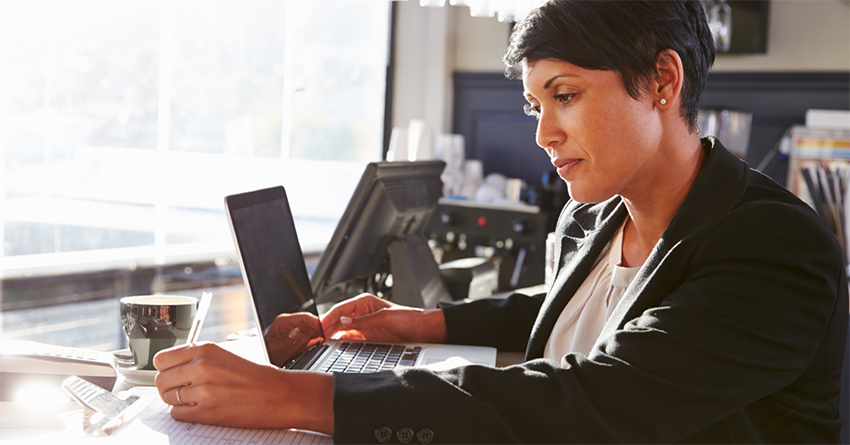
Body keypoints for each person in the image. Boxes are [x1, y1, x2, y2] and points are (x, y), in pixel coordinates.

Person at [153, 0, 849, 443]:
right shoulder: (592, 219)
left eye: (565, 95)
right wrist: (429, 322)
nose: (544, 132)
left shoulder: (775, 247)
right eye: (532, 105)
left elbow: (597, 398)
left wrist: (296, 395)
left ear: (663, 81)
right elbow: (582, 306)